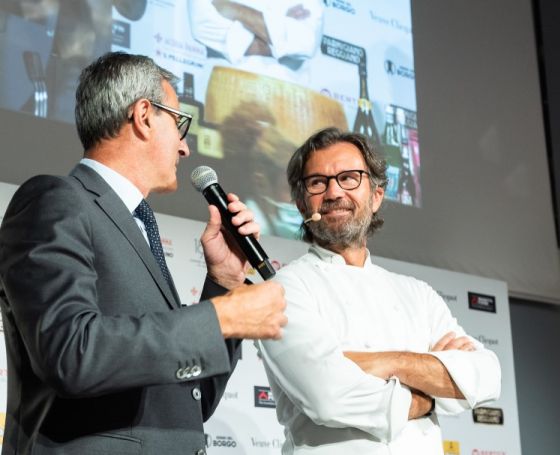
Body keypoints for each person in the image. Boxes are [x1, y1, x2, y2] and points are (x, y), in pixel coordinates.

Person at [0, 52, 287, 454]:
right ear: (144, 115)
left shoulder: (136, 224)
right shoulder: (55, 200)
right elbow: (70, 352)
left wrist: (222, 283)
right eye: (180, 124)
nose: (186, 148)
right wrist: (219, 318)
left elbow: (192, 401)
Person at [255, 127, 501, 453]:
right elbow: (328, 396)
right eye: (317, 182)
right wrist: (431, 394)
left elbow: (485, 376)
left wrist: (389, 362)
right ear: (302, 204)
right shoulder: (282, 291)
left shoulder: (417, 294)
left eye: (350, 178)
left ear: (376, 196)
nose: (333, 192)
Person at [187, 0, 323, 85]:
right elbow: (202, 26)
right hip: (223, 91)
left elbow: (306, 41)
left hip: (289, 99)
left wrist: (236, 10)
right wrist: (280, 29)